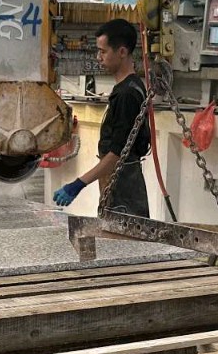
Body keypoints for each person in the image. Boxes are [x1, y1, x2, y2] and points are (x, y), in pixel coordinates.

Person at [52, 17, 151, 217]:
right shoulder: (128, 87)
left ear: (122, 52)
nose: (98, 57)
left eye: (103, 51)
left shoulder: (127, 95)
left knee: (123, 237)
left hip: (124, 192)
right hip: (119, 185)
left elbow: (117, 154)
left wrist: (78, 184)